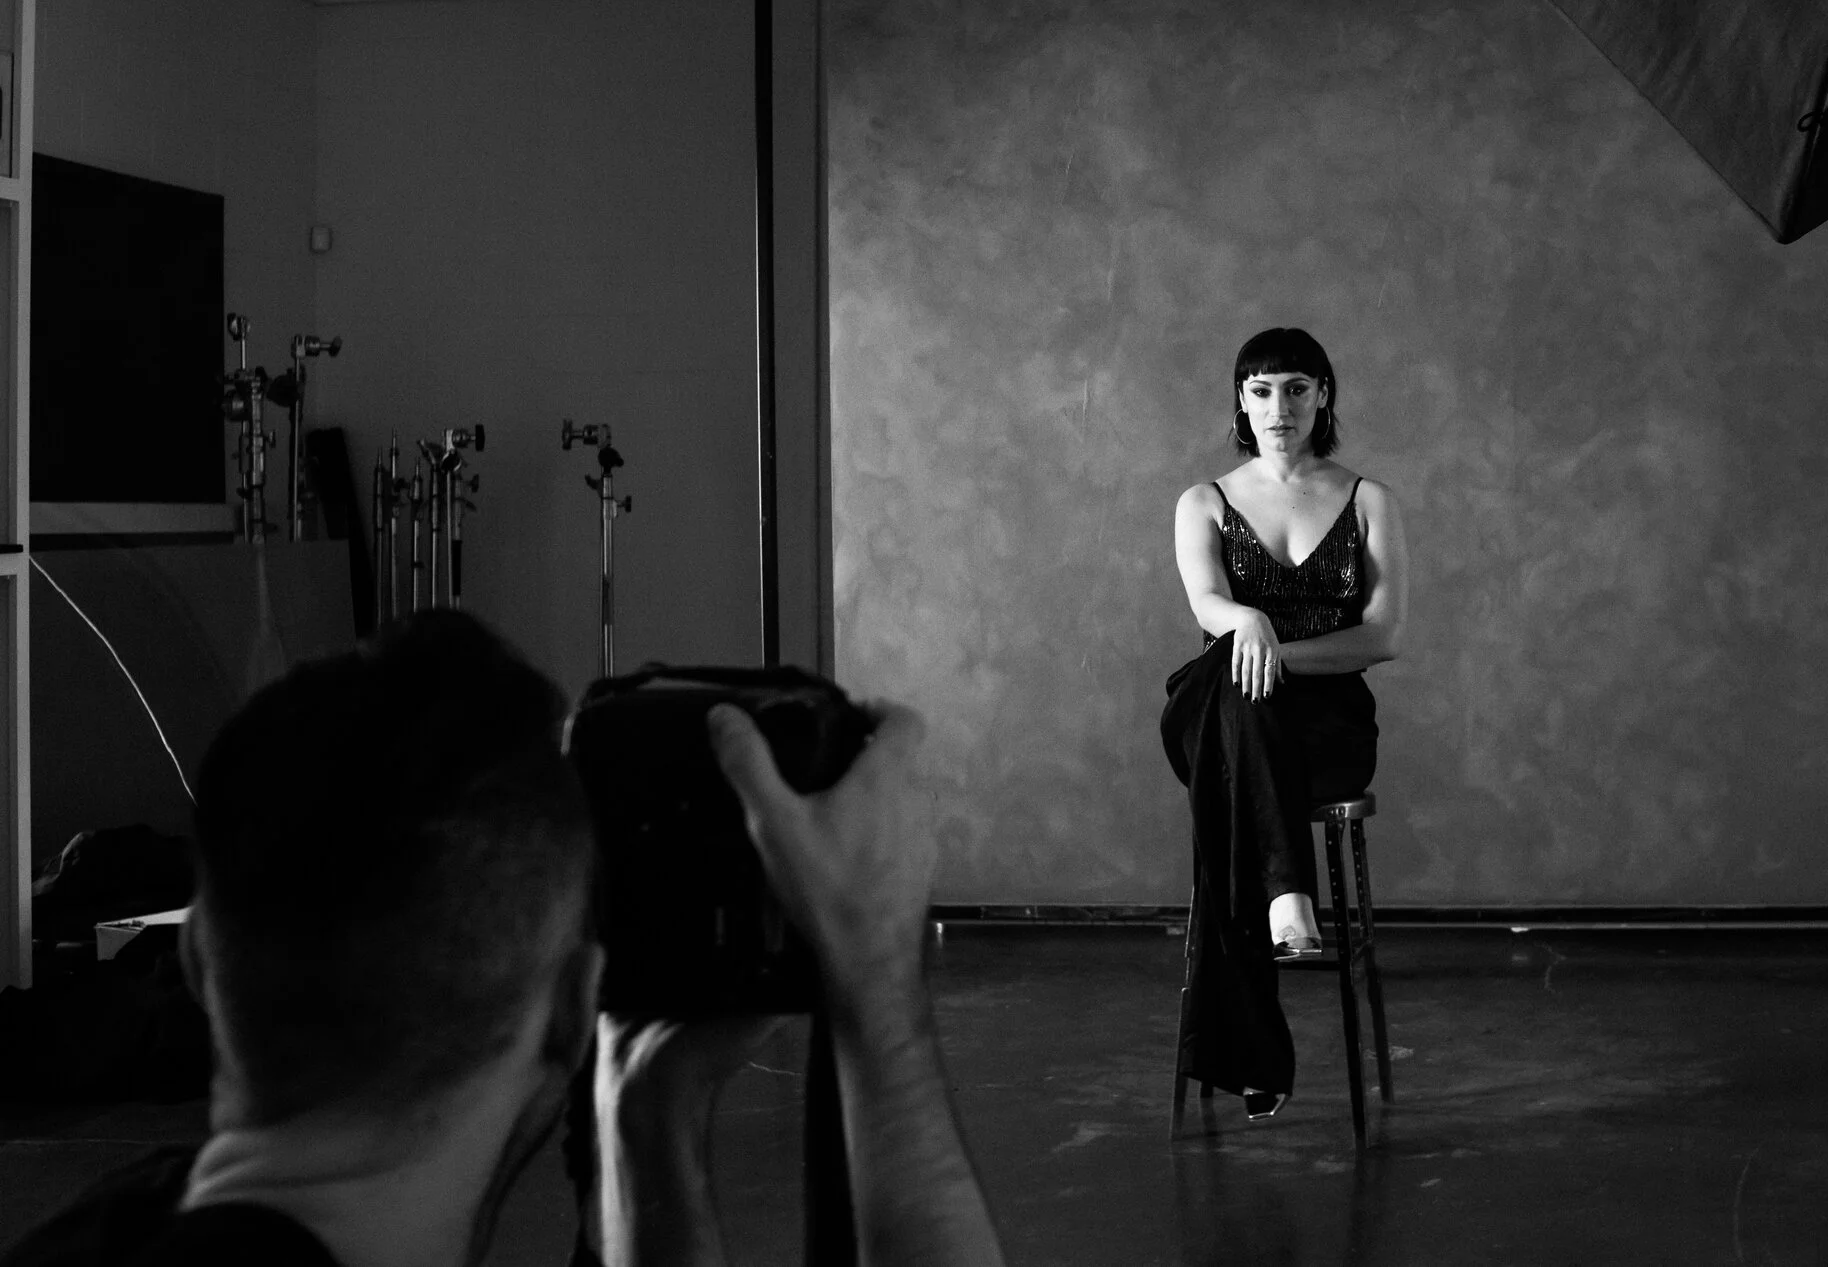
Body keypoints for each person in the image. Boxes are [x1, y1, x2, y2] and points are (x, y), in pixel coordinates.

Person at [1, 611, 1004, 1267]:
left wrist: (646, 1114)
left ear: (193, 961)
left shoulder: (101, 1233)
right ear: (570, 1008)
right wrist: (878, 992)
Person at [1164, 327, 1408, 1120]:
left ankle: (1278, 905)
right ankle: (1289, 895)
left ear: (1323, 395)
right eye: (1263, 390)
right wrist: (1248, 622)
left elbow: (1382, 636)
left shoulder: (1369, 500)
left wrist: (1277, 651)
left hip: (1327, 731)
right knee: (1231, 679)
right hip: (1227, 715)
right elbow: (1208, 603)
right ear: (1241, 400)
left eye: (1297, 388)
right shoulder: (1204, 500)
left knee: (1239, 697)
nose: (1280, 407)